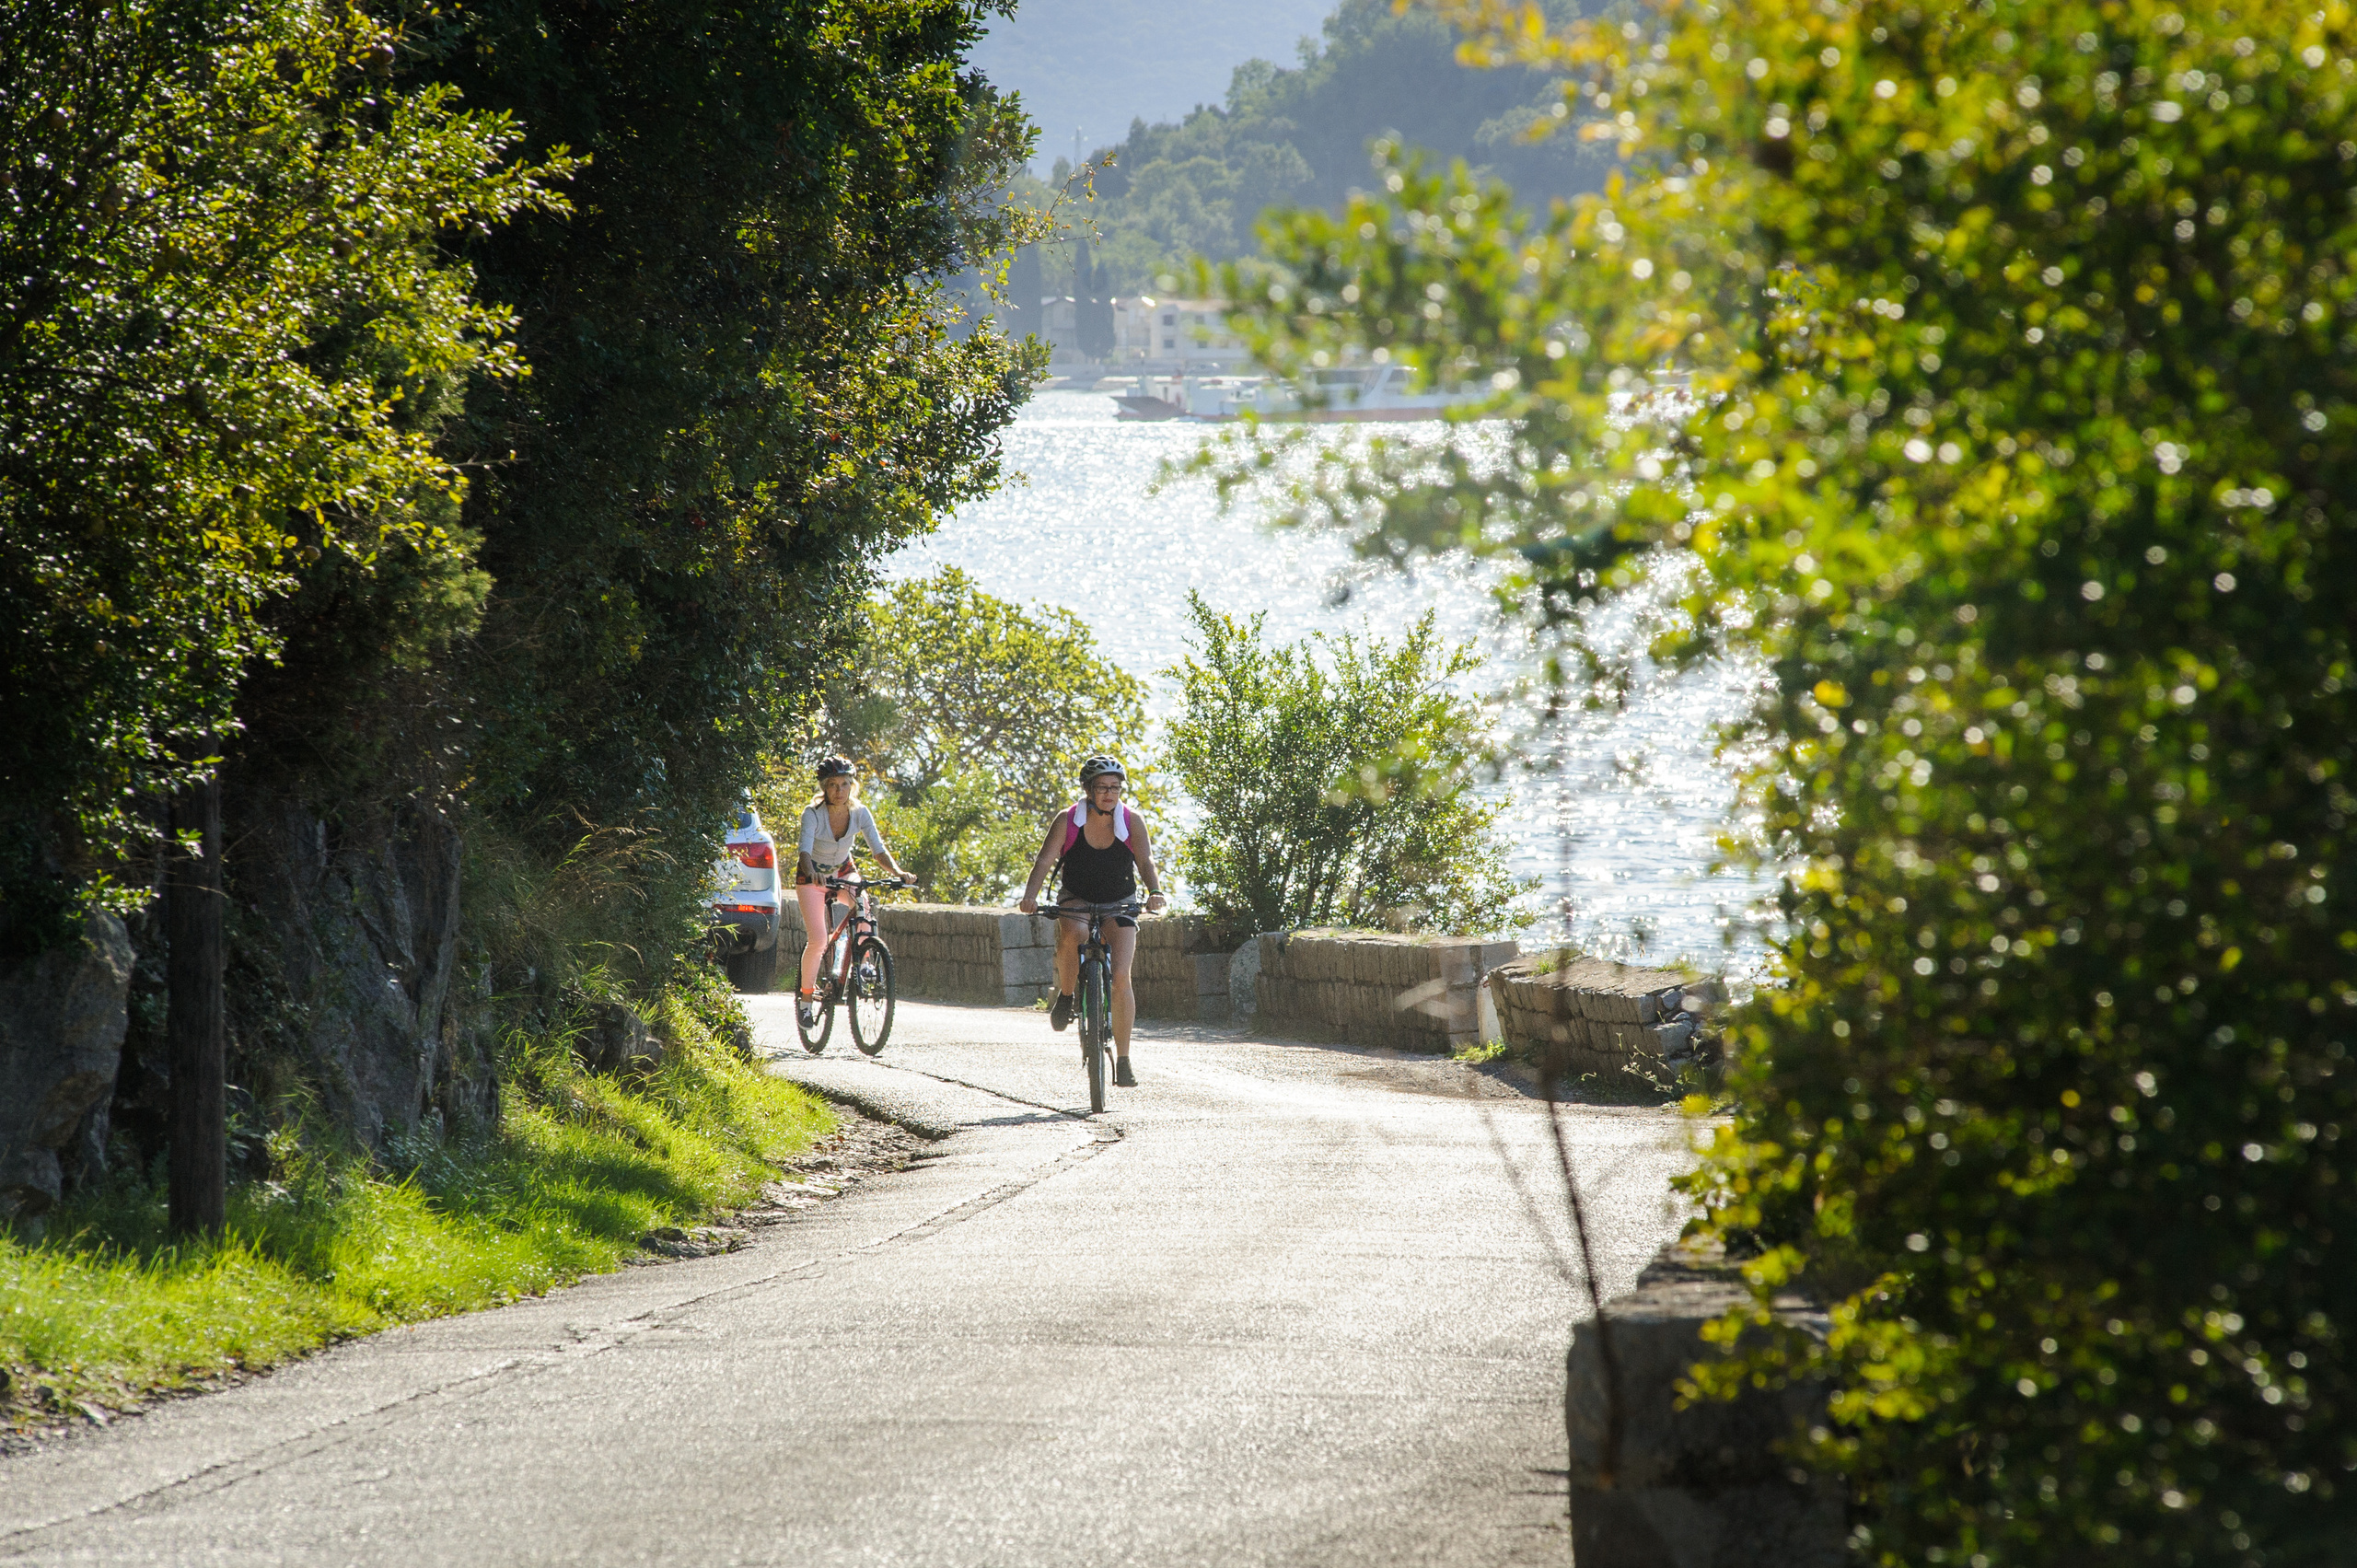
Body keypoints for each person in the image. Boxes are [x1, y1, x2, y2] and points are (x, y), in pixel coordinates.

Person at [1016, 755, 1167, 1086]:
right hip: (1077, 897)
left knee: (1122, 975)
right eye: (1102, 788)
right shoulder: (1068, 820)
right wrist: (1030, 896)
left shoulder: (1132, 820)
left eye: (1115, 788)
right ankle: (1067, 995)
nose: (1109, 794)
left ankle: (1124, 1061)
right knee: (1075, 931)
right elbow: (1044, 861)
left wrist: (1155, 891)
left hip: (1120, 900)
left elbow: (1146, 860)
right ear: (1088, 790)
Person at [795, 757, 913, 1028]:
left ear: (852, 786)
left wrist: (898, 873)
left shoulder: (860, 813)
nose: (840, 791)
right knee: (818, 940)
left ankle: (866, 963)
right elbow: (804, 851)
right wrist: (813, 872)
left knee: (863, 906)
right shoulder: (812, 813)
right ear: (825, 788)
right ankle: (805, 1002)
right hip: (812, 877)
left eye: (845, 784)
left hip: (843, 871)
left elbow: (878, 850)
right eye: (834, 785)